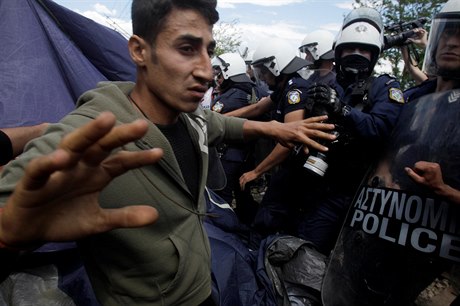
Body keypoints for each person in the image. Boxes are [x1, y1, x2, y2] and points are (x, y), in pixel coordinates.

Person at [0, 1, 337, 305]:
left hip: (203, 289)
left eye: (208, 51)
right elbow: (14, 205)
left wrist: (275, 128)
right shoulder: (95, 130)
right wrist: (8, 236)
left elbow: (220, 124)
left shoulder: (188, 117)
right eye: (187, 48)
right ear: (139, 51)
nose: (206, 71)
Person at [285, 7, 405, 254]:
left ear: (374, 55)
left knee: (342, 254)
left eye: (363, 50)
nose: (356, 54)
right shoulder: (326, 83)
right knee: (301, 242)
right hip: (316, 180)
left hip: (357, 191)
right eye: (350, 49)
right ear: (338, 53)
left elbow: (380, 129)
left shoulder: (385, 86)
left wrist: (342, 109)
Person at [210, 52, 268, 224]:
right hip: (250, 155)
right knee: (244, 196)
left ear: (229, 72)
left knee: (222, 196)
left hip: (229, 155)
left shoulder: (230, 96)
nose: (217, 78)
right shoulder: (258, 90)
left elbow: (212, 118)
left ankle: (225, 229)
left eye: (219, 74)